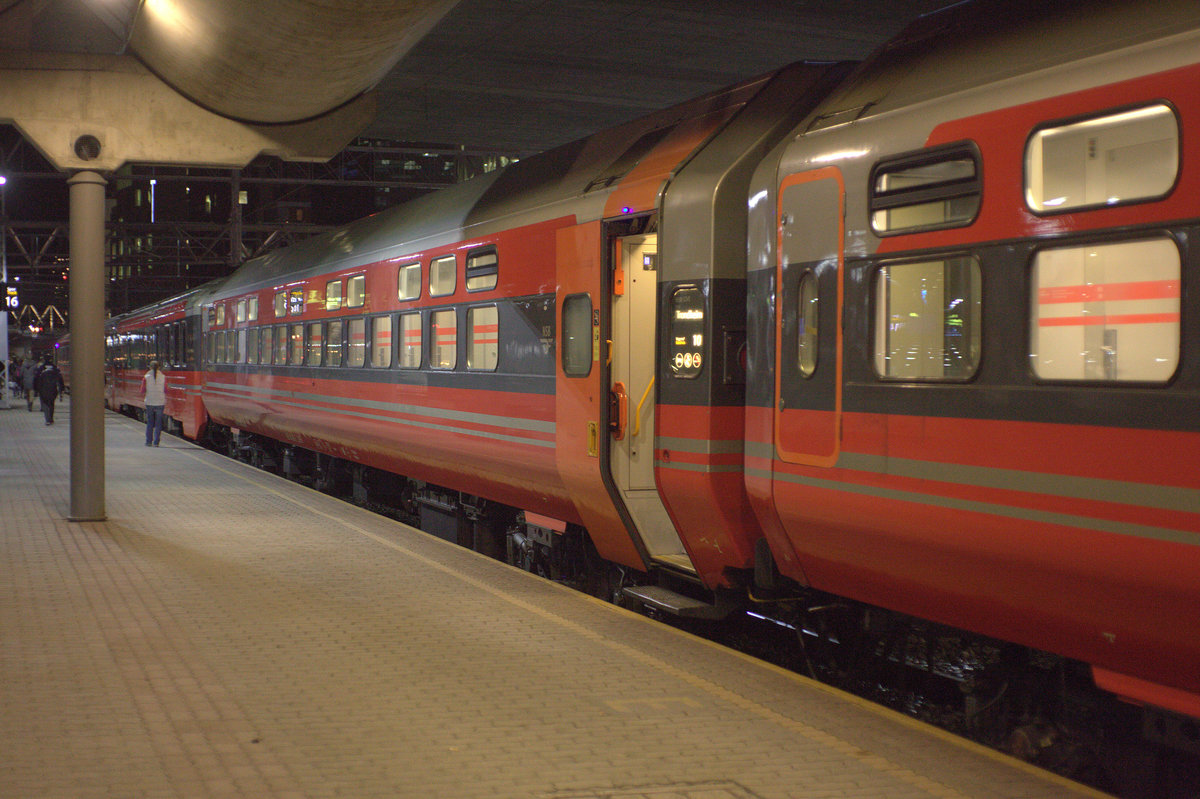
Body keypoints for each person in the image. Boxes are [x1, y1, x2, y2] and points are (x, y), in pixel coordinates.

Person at [141, 360, 167, 446]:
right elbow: (166, 390)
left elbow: (142, 390)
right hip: (160, 402)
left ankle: (148, 441)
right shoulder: (163, 377)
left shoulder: (146, 377)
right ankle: (156, 442)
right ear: (159, 367)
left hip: (149, 402)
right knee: (158, 423)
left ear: (150, 367)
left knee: (150, 422)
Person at [34, 355, 64, 425]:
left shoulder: (41, 368)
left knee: (45, 404)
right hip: (53, 389)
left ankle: (47, 419)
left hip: (43, 389)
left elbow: (36, 379)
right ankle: (51, 418)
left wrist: (36, 389)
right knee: (51, 403)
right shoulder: (55, 368)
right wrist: (61, 389)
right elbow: (60, 380)